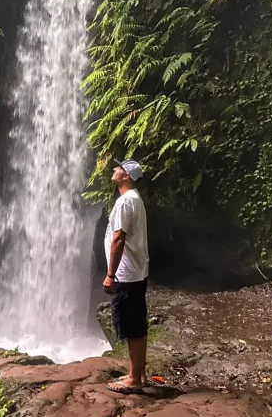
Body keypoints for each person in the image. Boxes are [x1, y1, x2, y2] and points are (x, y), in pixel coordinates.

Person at [103, 158, 149, 394]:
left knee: (131, 327)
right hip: (137, 272)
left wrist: (110, 274)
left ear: (127, 176)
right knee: (138, 325)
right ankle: (139, 373)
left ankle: (133, 379)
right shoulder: (135, 200)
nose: (114, 170)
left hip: (126, 275)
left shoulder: (125, 202)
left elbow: (118, 238)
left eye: (118, 169)